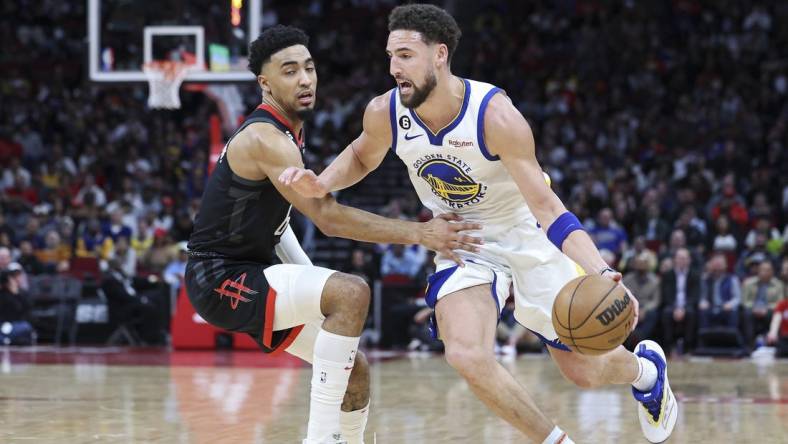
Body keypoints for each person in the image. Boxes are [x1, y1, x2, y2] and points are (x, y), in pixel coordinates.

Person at [280, 5, 676, 443]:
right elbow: (360, 154)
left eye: (406, 55)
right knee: (466, 353)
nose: (394, 67)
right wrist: (323, 182)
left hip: (525, 231)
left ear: (439, 55)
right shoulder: (385, 112)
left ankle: (644, 371)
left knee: (584, 370)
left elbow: (546, 206)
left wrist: (601, 270)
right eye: (391, 55)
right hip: (461, 239)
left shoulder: (495, 115)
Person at [184, 25, 481, 444]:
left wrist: (311, 284)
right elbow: (328, 219)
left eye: (309, 67)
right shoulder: (266, 138)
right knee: (350, 292)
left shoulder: (288, 131)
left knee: (352, 368)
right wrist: (423, 234)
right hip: (218, 277)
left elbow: (278, 223)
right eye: (290, 71)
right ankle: (321, 439)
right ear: (265, 84)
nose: (305, 79)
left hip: (257, 265)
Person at [659, 248, 701, 353]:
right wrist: (675, 308)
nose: (682, 261)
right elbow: (666, 295)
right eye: (680, 258)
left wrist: (683, 308)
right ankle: (669, 346)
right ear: (675, 260)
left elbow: (695, 295)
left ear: (689, 260)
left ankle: (687, 346)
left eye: (685, 258)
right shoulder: (668, 275)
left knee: (691, 313)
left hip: (687, 305)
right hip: (672, 304)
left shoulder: (695, 275)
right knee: (666, 313)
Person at [741, 261, 784, 348]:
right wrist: (754, 308)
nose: (765, 272)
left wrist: (766, 309)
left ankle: (772, 344)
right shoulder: (748, 283)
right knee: (747, 314)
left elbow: (780, 302)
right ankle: (749, 345)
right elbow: (744, 301)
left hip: (769, 310)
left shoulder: (778, 285)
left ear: (772, 272)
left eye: (768, 270)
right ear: (758, 271)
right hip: (753, 309)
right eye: (762, 270)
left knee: (774, 315)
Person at [698, 253, 741, 330]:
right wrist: (702, 302)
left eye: (720, 264)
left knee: (733, 312)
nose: (718, 266)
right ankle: (703, 339)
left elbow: (737, 298)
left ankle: (731, 338)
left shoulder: (732, 279)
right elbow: (701, 296)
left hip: (725, 308)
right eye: (716, 264)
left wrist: (730, 304)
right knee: (702, 311)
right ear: (711, 265)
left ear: (726, 265)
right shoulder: (705, 279)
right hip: (710, 308)